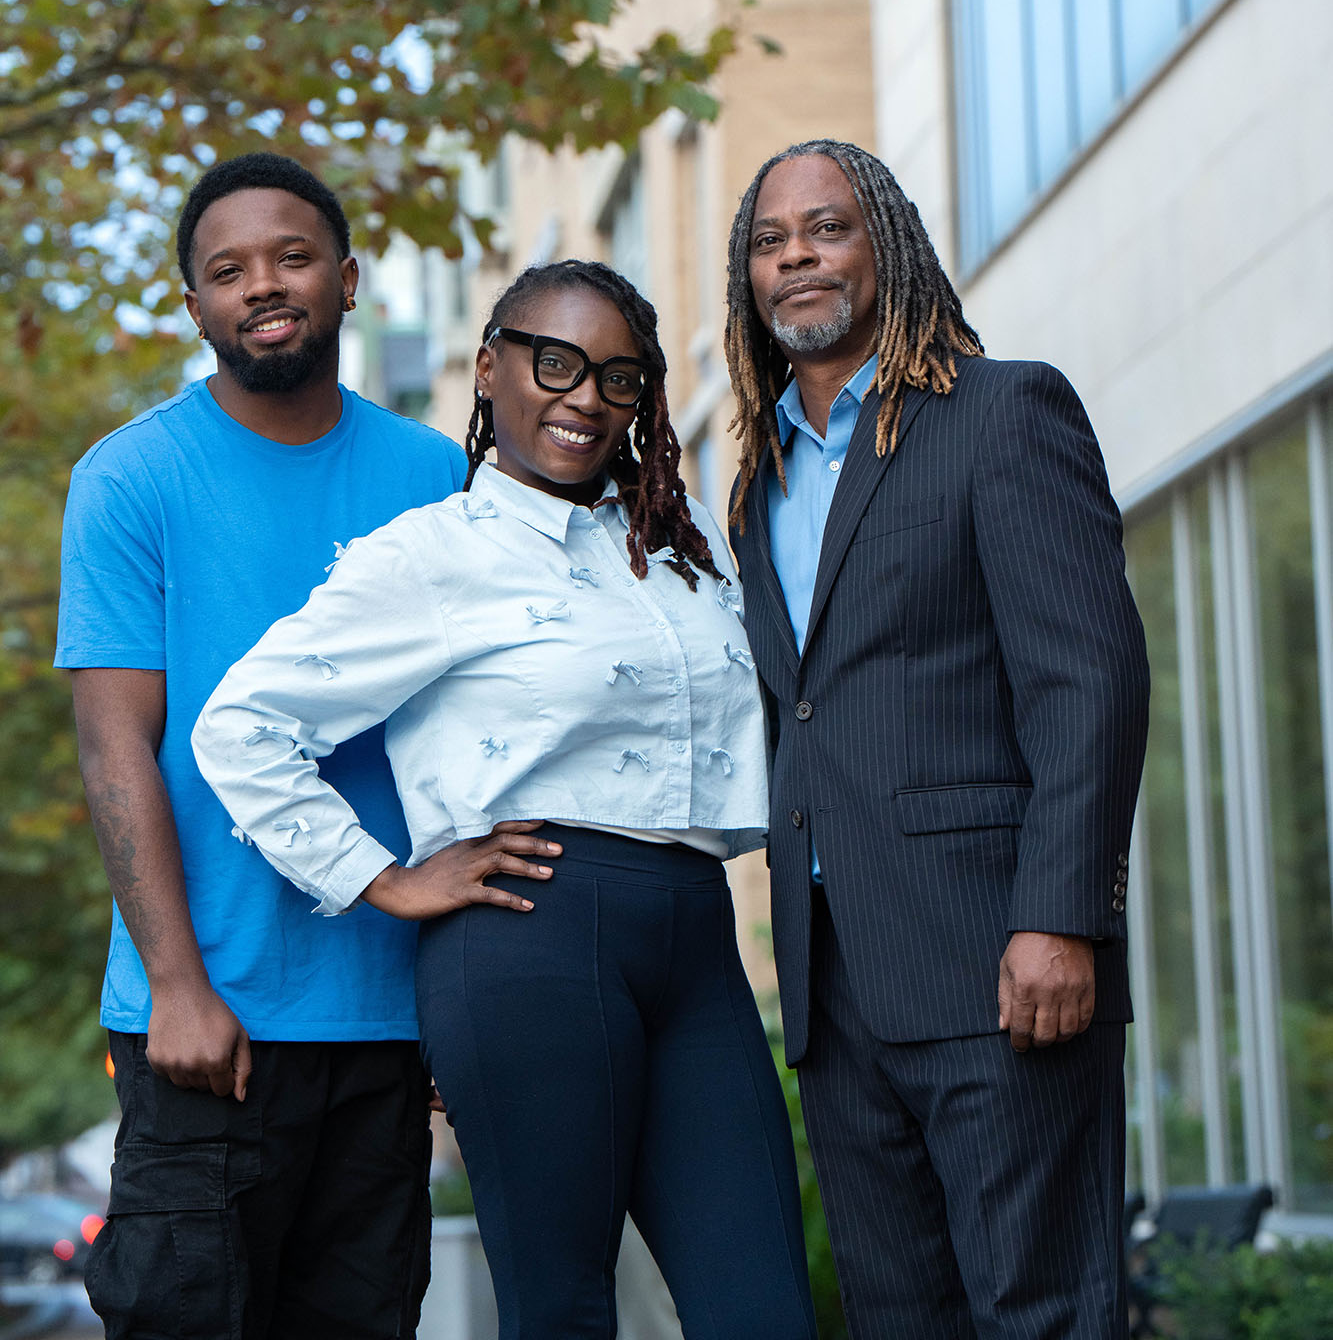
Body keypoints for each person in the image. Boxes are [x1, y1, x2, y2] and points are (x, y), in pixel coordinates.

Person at [193, 259, 817, 1340]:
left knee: (762, 1308)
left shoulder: (687, 545)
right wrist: (382, 879)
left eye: (619, 377)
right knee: (562, 1309)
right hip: (531, 930)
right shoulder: (434, 555)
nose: (585, 398)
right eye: (556, 362)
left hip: (696, 939)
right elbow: (239, 724)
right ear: (490, 367)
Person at [55, 151, 514, 1340]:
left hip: (386, 1016)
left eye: (293, 255)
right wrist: (173, 984)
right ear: (196, 303)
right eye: (229, 268)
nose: (264, 283)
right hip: (211, 1023)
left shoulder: (434, 475)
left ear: (350, 279)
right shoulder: (130, 478)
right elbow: (117, 747)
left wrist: (453, 998)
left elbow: (466, 735)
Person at [723, 139, 1151, 1340]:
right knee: (896, 1313)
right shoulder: (757, 481)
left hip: (996, 959)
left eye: (827, 227)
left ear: (890, 245)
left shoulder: (1003, 410)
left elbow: (1090, 679)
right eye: (769, 240)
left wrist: (1060, 915)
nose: (796, 257)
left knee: (1038, 1308)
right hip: (832, 977)